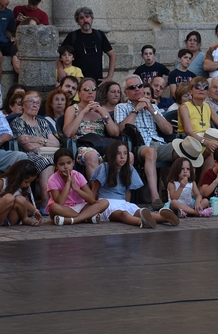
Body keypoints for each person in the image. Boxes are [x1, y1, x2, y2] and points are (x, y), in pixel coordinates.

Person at [115, 75, 177, 209]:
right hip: (137, 145)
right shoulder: (122, 107)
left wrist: (151, 110)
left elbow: (168, 131)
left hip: (158, 143)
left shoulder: (152, 106)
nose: (137, 89)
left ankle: (180, 196)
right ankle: (155, 197)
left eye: (140, 86)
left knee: (182, 149)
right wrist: (136, 109)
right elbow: (121, 130)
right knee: (150, 152)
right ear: (126, 92)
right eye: (133, 87)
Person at [91, 141, 180, 227]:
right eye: (119, 153)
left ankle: (165, 218)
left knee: (138, 211)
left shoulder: (129, 169)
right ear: (112, 154)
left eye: (125, 153)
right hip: (106, 203)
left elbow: (128, 191)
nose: (123, 157)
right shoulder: (104, 167)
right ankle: (142, 222)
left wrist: (127, 205)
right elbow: (94, 189)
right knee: (124, 214)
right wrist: (94, 207)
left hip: (122, 202)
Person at [64, 77, 121, 177]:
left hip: (102, 144)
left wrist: (104, 114)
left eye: (93, 89)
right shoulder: (73, 109)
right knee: (92, 155)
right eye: (86, 89)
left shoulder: (102, 109)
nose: (90, 92)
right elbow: (68, 132)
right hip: (82, 146)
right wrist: (83, 112)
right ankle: (95, 191)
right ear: (79, 93)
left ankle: (118, 190)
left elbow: (115, 133)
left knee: (126, 155)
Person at [178, 76, 218, 172]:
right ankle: (202, 185)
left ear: (207, 92)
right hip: (192, 143)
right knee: (215, 153)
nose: (201, 89)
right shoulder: (184, 107)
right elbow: (189, 132)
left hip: (208, 141)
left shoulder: (208, 106)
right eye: (197, 86)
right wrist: (206, 142)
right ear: (191, 91)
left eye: (205, 87)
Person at [9, 91, 57, 196]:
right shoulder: (18, 123)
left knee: (64, 158)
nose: (35, 105)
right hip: (27, 156)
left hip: (46, 153)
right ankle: (46, 202)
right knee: (47, 160)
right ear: (23, 105)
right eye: (31, 101)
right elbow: (28, 146)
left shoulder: (43, 122)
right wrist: (46, 143)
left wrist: (37, 139)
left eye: (38, 102)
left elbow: (56, 143)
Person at [47, 147, 108, 226]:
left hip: (80, 206)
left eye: (68, 163)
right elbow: (60, 202)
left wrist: (75, 188)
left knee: (104, 202)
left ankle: (73, 220)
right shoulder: (52, 179)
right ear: (56, 166)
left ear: (73, 163)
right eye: (62, 164)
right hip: (64, 209)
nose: (66, 167)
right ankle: (86, 217)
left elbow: (92, 200)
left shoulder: (78, 175)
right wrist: (68, 183)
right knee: (54, 207)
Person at [0, 160, 42, 229]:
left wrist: (35, 211)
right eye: (26, 182)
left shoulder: (22, 187)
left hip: (11, 218)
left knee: (20, 198)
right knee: (9, 197)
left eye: (30, 183)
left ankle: (25, 219)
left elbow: (25, 202)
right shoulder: (2, 183)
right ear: (18, 177)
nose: (28, 185)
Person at [60, 7, 116, 82]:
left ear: (92, 19)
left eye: (87, 17)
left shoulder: (99, 35)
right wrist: (60, 70)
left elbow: (112, 55)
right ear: (78, 21)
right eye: (81, 18)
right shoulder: (72, 36)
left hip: (97, 82)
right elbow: (59, 56)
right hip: (77, 82)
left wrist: (109, 76)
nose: (85, 20)